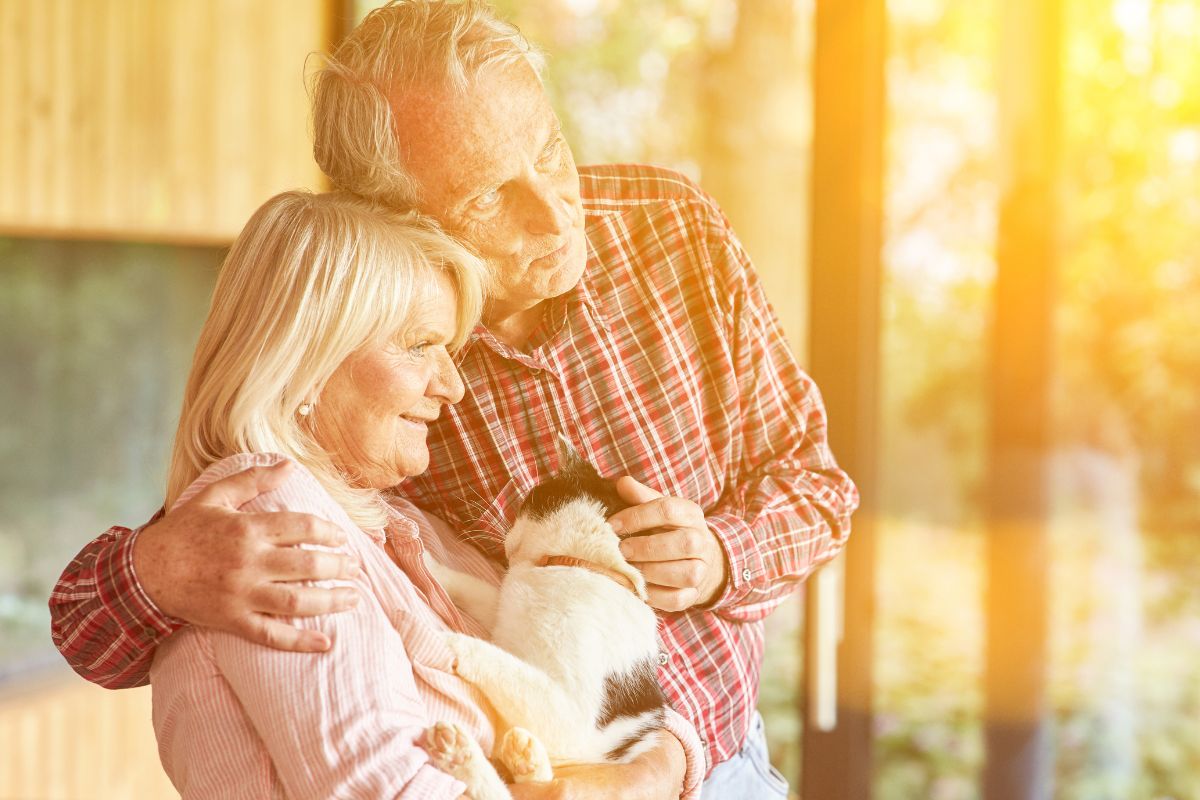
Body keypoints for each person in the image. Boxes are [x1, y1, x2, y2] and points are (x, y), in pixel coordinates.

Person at [50, 2, 859, 797]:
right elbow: (111, 624)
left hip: (723, 763)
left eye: (549, 150)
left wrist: (723, 560)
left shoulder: (673, 229)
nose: (551, 212)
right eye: (488, 196)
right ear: (396, 217)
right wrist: (160, 571)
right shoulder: (376, 359)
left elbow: (818, 489)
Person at [143, 189, 704, 799]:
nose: (454, 387)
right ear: (308, 360)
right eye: (419, 346)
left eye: (451, 351)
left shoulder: (398, 523)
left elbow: (595, 706)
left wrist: (654, 769)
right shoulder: (267, 525)